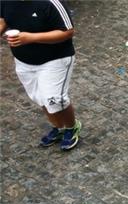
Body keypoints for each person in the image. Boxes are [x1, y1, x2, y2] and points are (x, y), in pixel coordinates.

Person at [1, 0, 82, 151]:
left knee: (56, 99)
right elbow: (3, 20)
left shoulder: (50, 3)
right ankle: (58, 128)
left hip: (55, 60)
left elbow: (68, 31)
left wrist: (30, 38)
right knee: (40, 98)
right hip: (23, 61)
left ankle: (72, 127)